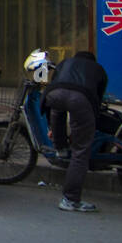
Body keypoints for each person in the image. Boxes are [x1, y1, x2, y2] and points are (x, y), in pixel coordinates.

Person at [46, 51, 109, 213]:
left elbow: (54, 85)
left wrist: (52, 129)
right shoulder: (98, 69)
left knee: (58, 110)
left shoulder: (64, 63)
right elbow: (97, 101)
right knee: (81, 150)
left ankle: (60, 148)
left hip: (53, 94)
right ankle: (71, 199)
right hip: (81, 99)